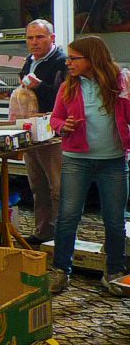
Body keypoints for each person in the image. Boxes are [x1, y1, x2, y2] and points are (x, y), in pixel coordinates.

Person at [48, 35, 130, 295]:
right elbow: (55, 118)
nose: (68, 62)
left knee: (115, 220)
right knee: (68, 217)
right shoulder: (68, 87)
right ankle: (61, 270)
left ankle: (114, 271)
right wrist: (63, 126)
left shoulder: (120, 82)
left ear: (92, 59)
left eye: (74, 58)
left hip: (114, 162)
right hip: (76, 160)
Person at [20, 20, 66, 246]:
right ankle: (43, 232)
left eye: (40, 37)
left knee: (58, 187)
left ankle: (63, 236)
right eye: (30, 38)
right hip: (31, 132)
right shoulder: (29, 61)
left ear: (52, 38)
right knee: (37, 185)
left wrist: (40, 87)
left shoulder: (62, 62)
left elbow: (65, 99)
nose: (34, 42)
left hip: (53, 134)